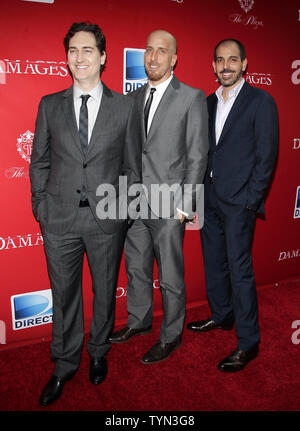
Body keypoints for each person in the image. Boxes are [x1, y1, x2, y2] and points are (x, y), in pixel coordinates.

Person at [30, 21, 141, 406]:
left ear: (103, 57)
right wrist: (40, 206)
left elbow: (132, 169)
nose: (80, 57)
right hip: (58, 219)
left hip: (106, 220)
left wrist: (123, 210)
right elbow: (39, 161)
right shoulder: (49, 105)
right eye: (73, 51)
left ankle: (98, 352)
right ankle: (63, 365)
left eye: (88, 50)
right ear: (67, 57)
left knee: (105, 292)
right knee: (64, 297)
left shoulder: (125, 107)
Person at [109, 30, 209, 364]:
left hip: (170, 204)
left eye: (161, 51)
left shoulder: (191, 97)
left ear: (174, 58)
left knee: (169, 275)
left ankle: (171, 334)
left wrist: (185, 205)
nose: (153, 57)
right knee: (136, 268)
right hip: (135, 201)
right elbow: (132, 152)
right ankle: (138, 322)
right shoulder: (134, 97)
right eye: (149, 50)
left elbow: (197, 155)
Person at [187, 39, 278, 372]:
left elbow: (266, 157)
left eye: (233, 60)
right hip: (208, 199)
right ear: (213, 66)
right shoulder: (206, 103)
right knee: (214, 264)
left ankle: (248, 343)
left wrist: (250, 201)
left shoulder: (261, 101)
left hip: (239, 202)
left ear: (245, 64)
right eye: (220, 60)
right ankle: (222, 316)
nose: (226, 65)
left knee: (240, 272)